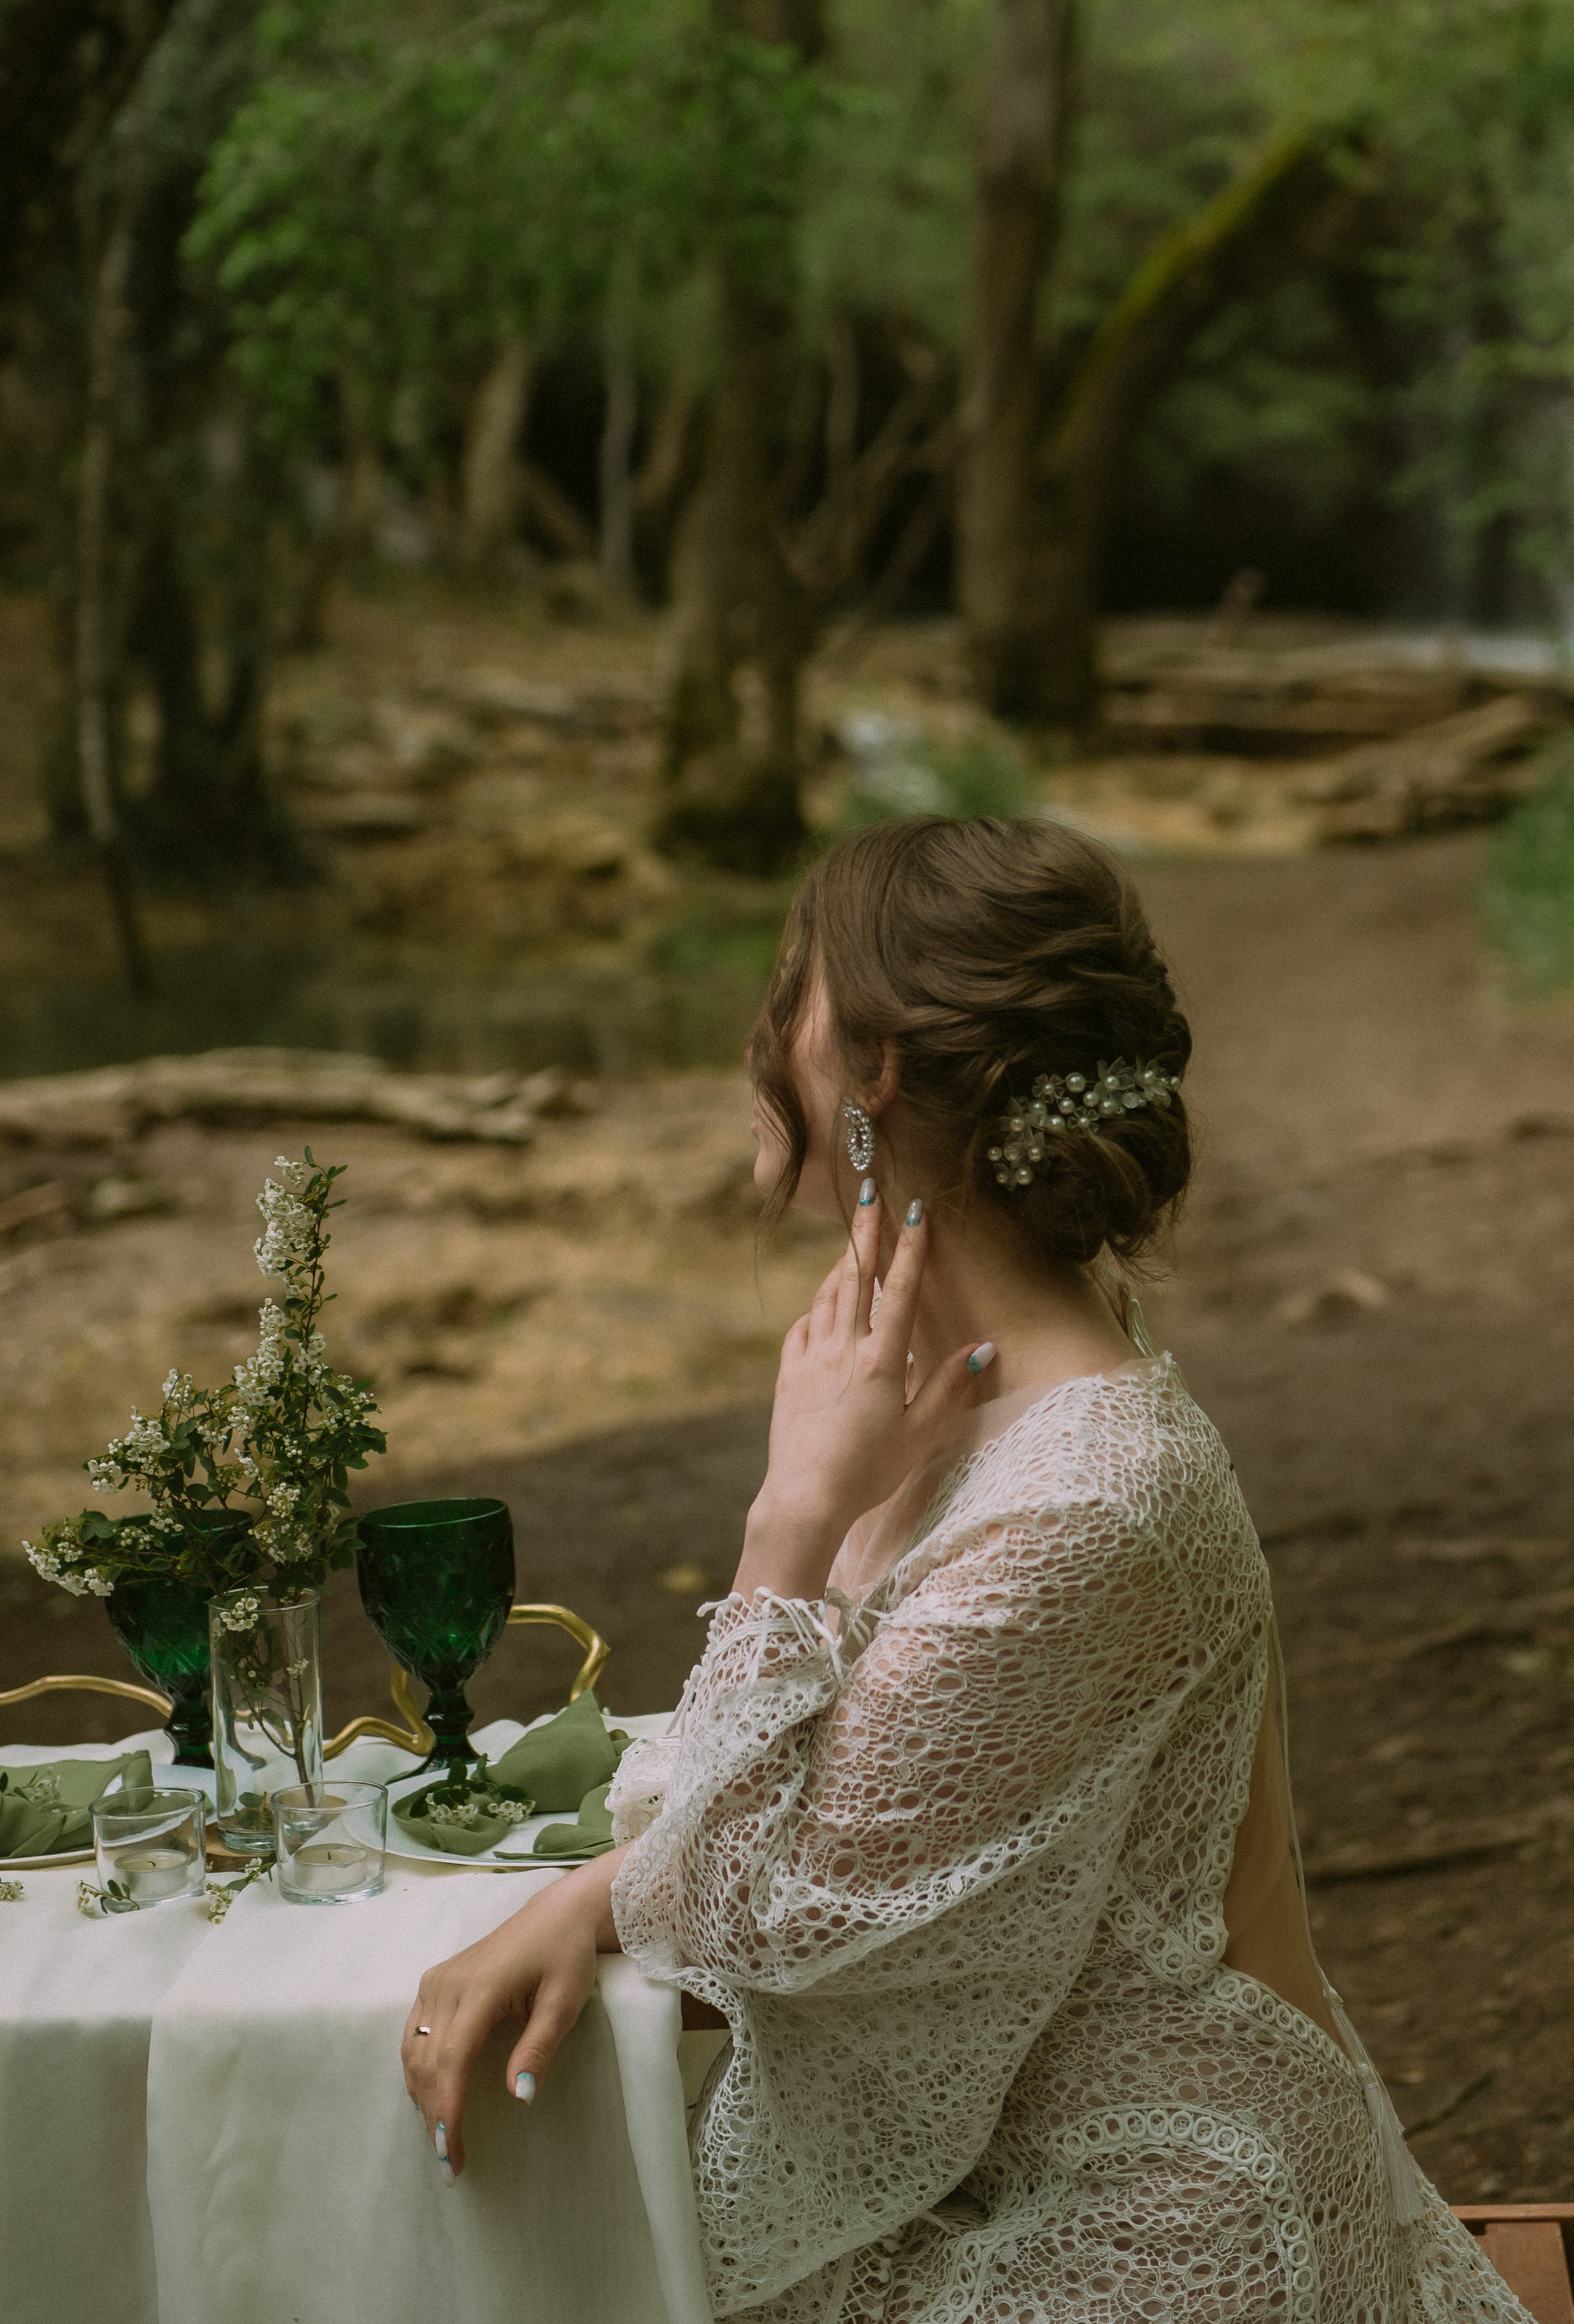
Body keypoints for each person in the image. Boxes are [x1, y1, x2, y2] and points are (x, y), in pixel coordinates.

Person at [403, 817, 1529, 2322]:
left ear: (871, 1076)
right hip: (1007, 2167)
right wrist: (590, 1897)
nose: (758, 1024)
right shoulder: (965, 1391)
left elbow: (768, 1913)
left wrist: (783, 1530)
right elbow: (812, 1798)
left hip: (1148, 2222)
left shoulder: (1082, 1502)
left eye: (792, 980)